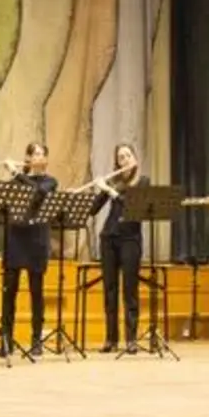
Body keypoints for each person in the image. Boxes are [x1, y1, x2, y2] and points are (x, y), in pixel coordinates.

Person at [0, 143, 58, 357]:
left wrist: (16, 172)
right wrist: (15, 175)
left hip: (36, 239)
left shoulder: (50, 182)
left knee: (36, 292)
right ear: (28, 158)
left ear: (46, 159)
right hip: (15, 237)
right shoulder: (17, 181)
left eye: (42, 153)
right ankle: (6, 340)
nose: (38, 157)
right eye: (34, 154)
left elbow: (39, 193)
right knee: (9, 291)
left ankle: (36, 340)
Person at [90, 143, 145, 353]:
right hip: (109, 238)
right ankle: (111, 339)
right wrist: (101, 187)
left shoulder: (142, 182)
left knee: (129, 290)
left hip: (130, 239)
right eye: (121, 158)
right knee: (109, 290)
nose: (125, 160)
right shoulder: (114, 182)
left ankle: (131, 339)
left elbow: (130, 205)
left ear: (135, 158)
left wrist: (110, 191)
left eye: (128, 156)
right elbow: (94, 210)